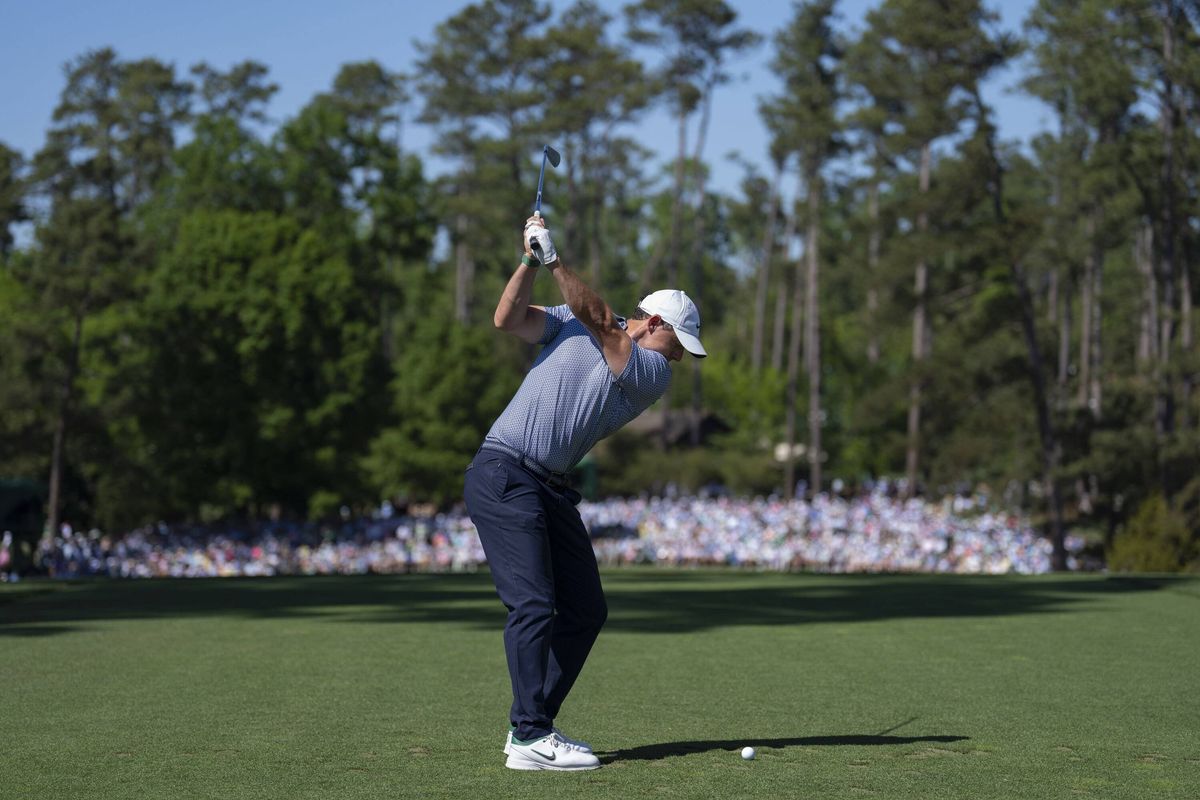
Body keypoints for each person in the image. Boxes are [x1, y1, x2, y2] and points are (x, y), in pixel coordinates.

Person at [463, 214, 706, 771]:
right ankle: (530, 736)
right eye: (678, 342)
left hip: (547, 485)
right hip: (505, 471)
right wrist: (529, 261)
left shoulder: (650, 372)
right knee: (533, 603)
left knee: (585, 609)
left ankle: (528, 724)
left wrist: (554, 259)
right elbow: (508, 318)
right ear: (653, 321)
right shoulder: (579, 324)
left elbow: (601, 322)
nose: (679, 357)